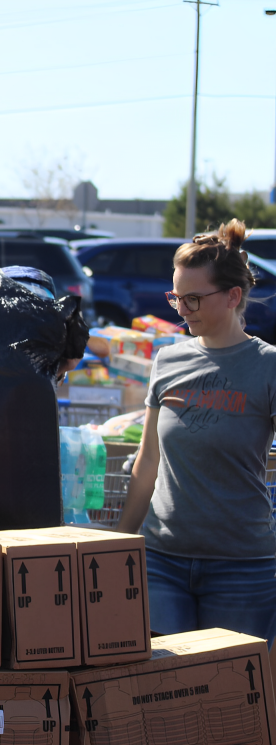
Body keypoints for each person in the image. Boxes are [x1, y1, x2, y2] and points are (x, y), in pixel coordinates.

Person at [117, 219, 276, 646]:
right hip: (161, 561)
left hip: (242, 567)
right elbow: (147, 464)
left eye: (193, 298)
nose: (181, 310)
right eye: (176, 297)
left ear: (233, 296)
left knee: (230, 702)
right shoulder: (167, 362)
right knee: (160, 694)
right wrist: (118, 545)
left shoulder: (267, 366)